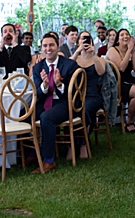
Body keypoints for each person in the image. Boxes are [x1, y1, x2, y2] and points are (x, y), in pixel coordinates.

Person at [32, 32, 81, 171]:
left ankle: (48, 160)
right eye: (45, 46)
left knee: (46, 117)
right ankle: (31, 153)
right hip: (45, 101)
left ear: (58, 46)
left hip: (65, 102)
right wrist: (45, 86)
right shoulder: (38, 67)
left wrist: (59, 84)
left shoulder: (70, 65)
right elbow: (38, 94)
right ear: (41, 48)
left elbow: (75, 93)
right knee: (24, 113)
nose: (48, 48)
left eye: (51, 45)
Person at [106, 28, 135, 133]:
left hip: (129, 79)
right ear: (118, 39)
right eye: (122, 35)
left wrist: (132, 52)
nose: (125, 36)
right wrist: (128, 52)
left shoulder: (130, 50)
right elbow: (121, 68)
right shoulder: (113, 50)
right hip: (117, 82)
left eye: (127, 34)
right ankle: (129, 121)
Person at [68, 32, 107, 147]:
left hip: (92, 95)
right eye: (82, 39)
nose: (84, 41)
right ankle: (75, 143)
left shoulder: (98, 58)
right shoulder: (75, 58)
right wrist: (77, 51)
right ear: (78, 41)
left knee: (86, 110)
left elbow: (101, 72)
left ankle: (83, 143)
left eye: (87, 39)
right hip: (76, 95)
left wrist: (93, 54)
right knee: (72, 109)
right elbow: (66, 68)